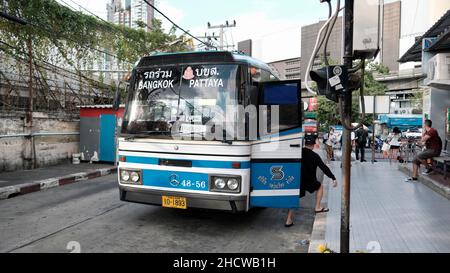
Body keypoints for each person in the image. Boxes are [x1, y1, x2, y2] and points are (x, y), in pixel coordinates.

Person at [285, 135, 338, 227]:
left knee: (294, 198)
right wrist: (333, 177)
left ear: (305, 143)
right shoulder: (314, 156)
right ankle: (317, 207)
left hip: (298, 179)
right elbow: (324, 168)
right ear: (313, 145)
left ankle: (288, 220)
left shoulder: (298, 153)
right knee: (320, 186)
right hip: (310, 180)